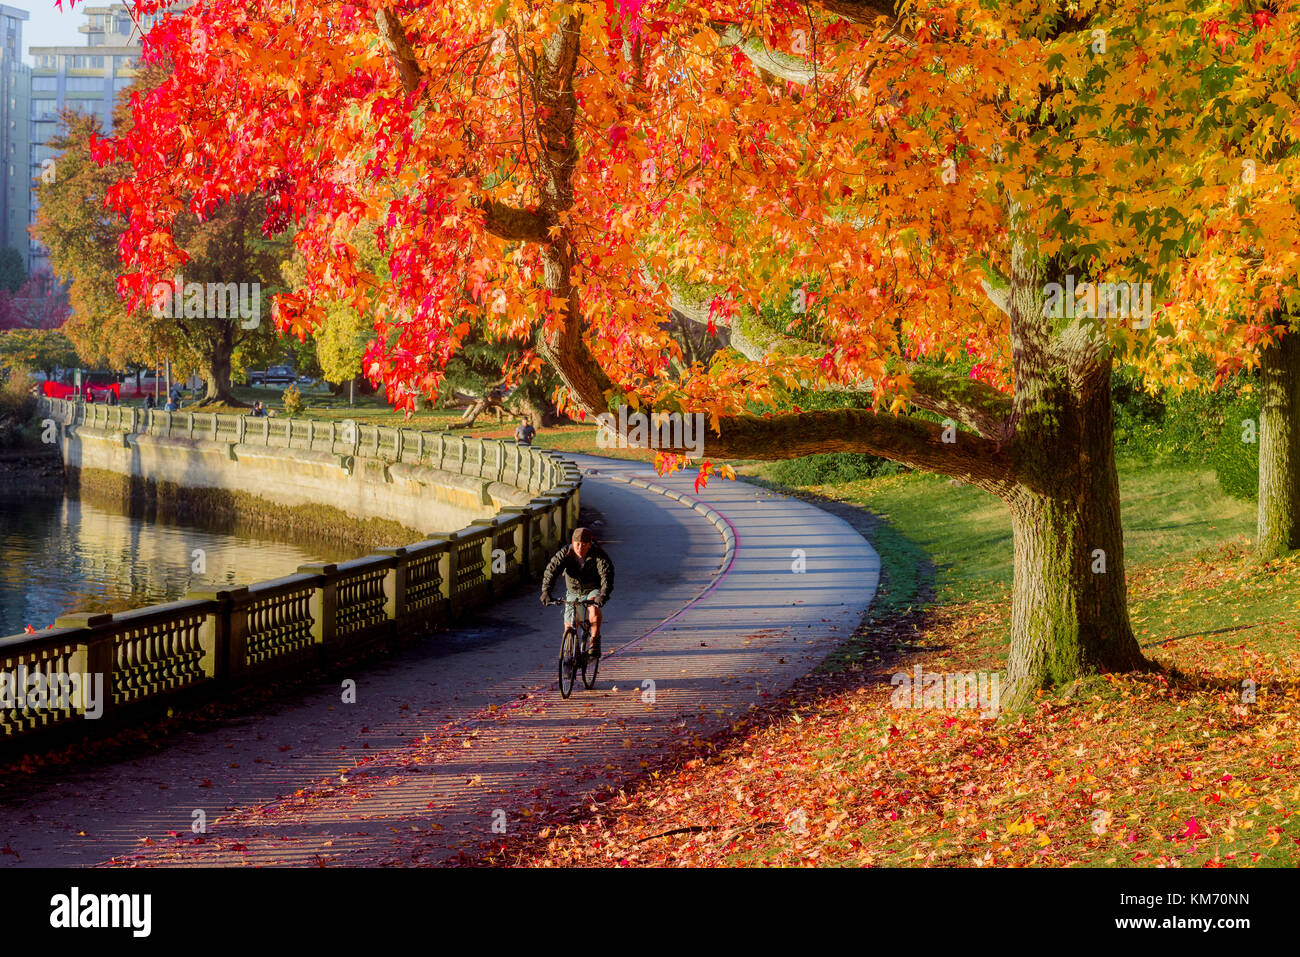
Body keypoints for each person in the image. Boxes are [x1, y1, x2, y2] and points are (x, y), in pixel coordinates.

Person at [541, 527, 614, 659]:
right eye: (577, 544)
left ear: (589, 544)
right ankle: (568, 655)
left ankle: (594, 640)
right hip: (573, 591)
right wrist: (546, 591)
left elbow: (606, 575)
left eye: (584, 545)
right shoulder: (565, 553)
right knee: (569, 624)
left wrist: (603, 595)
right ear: (572, 542)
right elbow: (551, 571)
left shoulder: (598, 554)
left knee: (593, 608)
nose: (580, 548)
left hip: (592, 589)